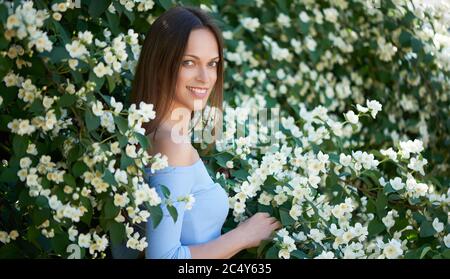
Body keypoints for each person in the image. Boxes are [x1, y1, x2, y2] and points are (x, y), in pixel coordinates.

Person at [113, 6, 281, 259]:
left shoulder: (155, 133)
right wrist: (243, 236)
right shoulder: (171, 143)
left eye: (212, 64)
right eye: (189, 62)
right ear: (160, 64)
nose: (205, 77)